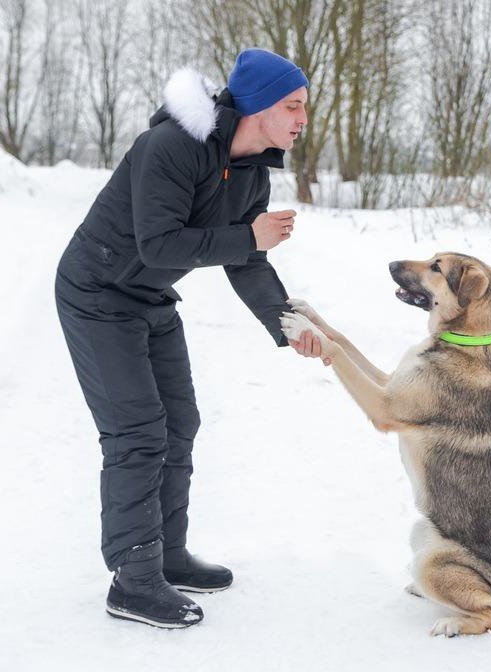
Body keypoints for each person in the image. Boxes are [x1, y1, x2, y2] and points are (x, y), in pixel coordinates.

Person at [55, 48, 313, 628]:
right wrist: (249, 236)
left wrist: (287, 325)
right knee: (138, 430)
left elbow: (246, 260)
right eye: (292, 106)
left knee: (180, 420)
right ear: (258, 106)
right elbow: (161, 245)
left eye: (304, 108)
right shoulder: (170, 147)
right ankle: (134, 578)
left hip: (148, 297)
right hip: (97, 292)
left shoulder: (250, 173)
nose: (301, 119)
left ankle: (166, 554)